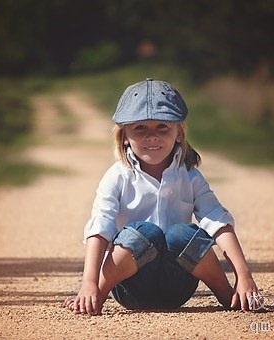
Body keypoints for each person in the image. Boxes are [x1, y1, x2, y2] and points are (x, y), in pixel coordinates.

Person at [65, 78, 261, 316]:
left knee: (181, 234)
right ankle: (96, 296)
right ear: (124, 135)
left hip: (177, 286)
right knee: (146, 233)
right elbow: (100, 227)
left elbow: (217, 221)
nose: (152, 136)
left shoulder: (190, 176)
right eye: (141, 128)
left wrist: (244, 274)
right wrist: (89, 283)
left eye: (162, 127)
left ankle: (228, 294)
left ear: (179, 133)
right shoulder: (117, 176)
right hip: (130, 287)